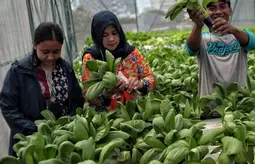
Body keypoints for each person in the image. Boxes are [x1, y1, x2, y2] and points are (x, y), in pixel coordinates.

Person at [0, 22, 84, 156]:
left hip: (63, 140)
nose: (50, 57)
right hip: (29, 142)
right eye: (45, 52)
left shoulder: (66, 69)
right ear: (34, 45)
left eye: (56, 52)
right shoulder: (19, 71)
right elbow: (8, 107)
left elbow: (76, 100)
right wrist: (33, 128)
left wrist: (68, 124)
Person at [185, 0, 255, 101]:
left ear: (230, 11)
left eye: (222, 7)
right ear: (205, 13)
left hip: (239, 105)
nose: (218, 12)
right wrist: (198, 24)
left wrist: (232, 30)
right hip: (209, 108)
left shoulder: (239, 35)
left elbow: (252, 44)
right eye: (212, 8)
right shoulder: (203, 38)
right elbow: (191, 50)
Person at [82, 10, 156, 111]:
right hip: (106, 118)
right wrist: (106, 94)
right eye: (105, 35)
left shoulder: (132, 53)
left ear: (120, 32)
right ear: (97, 36)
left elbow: (152, 78)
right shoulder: (91, 58)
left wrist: (140, 84)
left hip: (136, 111)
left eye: (114, 33)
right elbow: (88, 94)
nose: (111, 39)